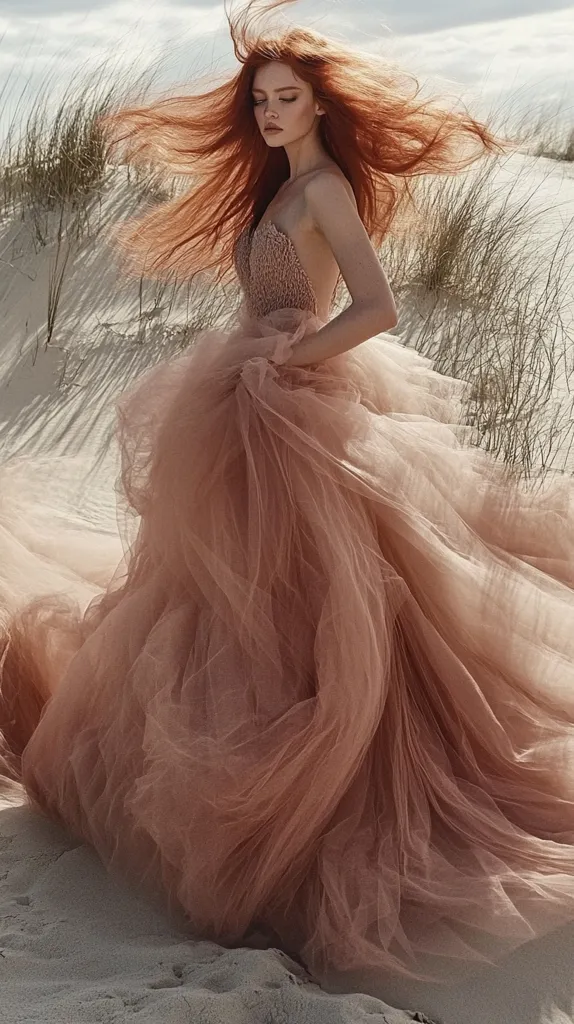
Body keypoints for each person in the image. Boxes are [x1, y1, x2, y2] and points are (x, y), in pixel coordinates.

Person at [2, 0, 574, 987]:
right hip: (252, 401)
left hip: (299, 404)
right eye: (260, 99)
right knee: (228, 596)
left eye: (285, 98)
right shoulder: (284, 186)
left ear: (319, 103)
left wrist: (289, 362)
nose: (269, 113)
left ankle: (320, 794)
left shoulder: (327, 191)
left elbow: (377, 305)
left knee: (324, 599)